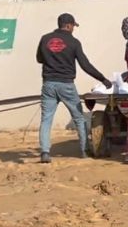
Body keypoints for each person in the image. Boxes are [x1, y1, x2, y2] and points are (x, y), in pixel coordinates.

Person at [36, 13, 112, 163]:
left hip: (48, 84)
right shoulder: (74, 42)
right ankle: (84, 150)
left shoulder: (45, 39)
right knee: (78, 118)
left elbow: (39, 59)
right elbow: (85, 65)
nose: (73, 29)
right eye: (73, 26)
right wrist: (102, 79)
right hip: (67, 85)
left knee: (46, 120)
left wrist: (52, 58)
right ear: (69, 25)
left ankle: (45, 152)